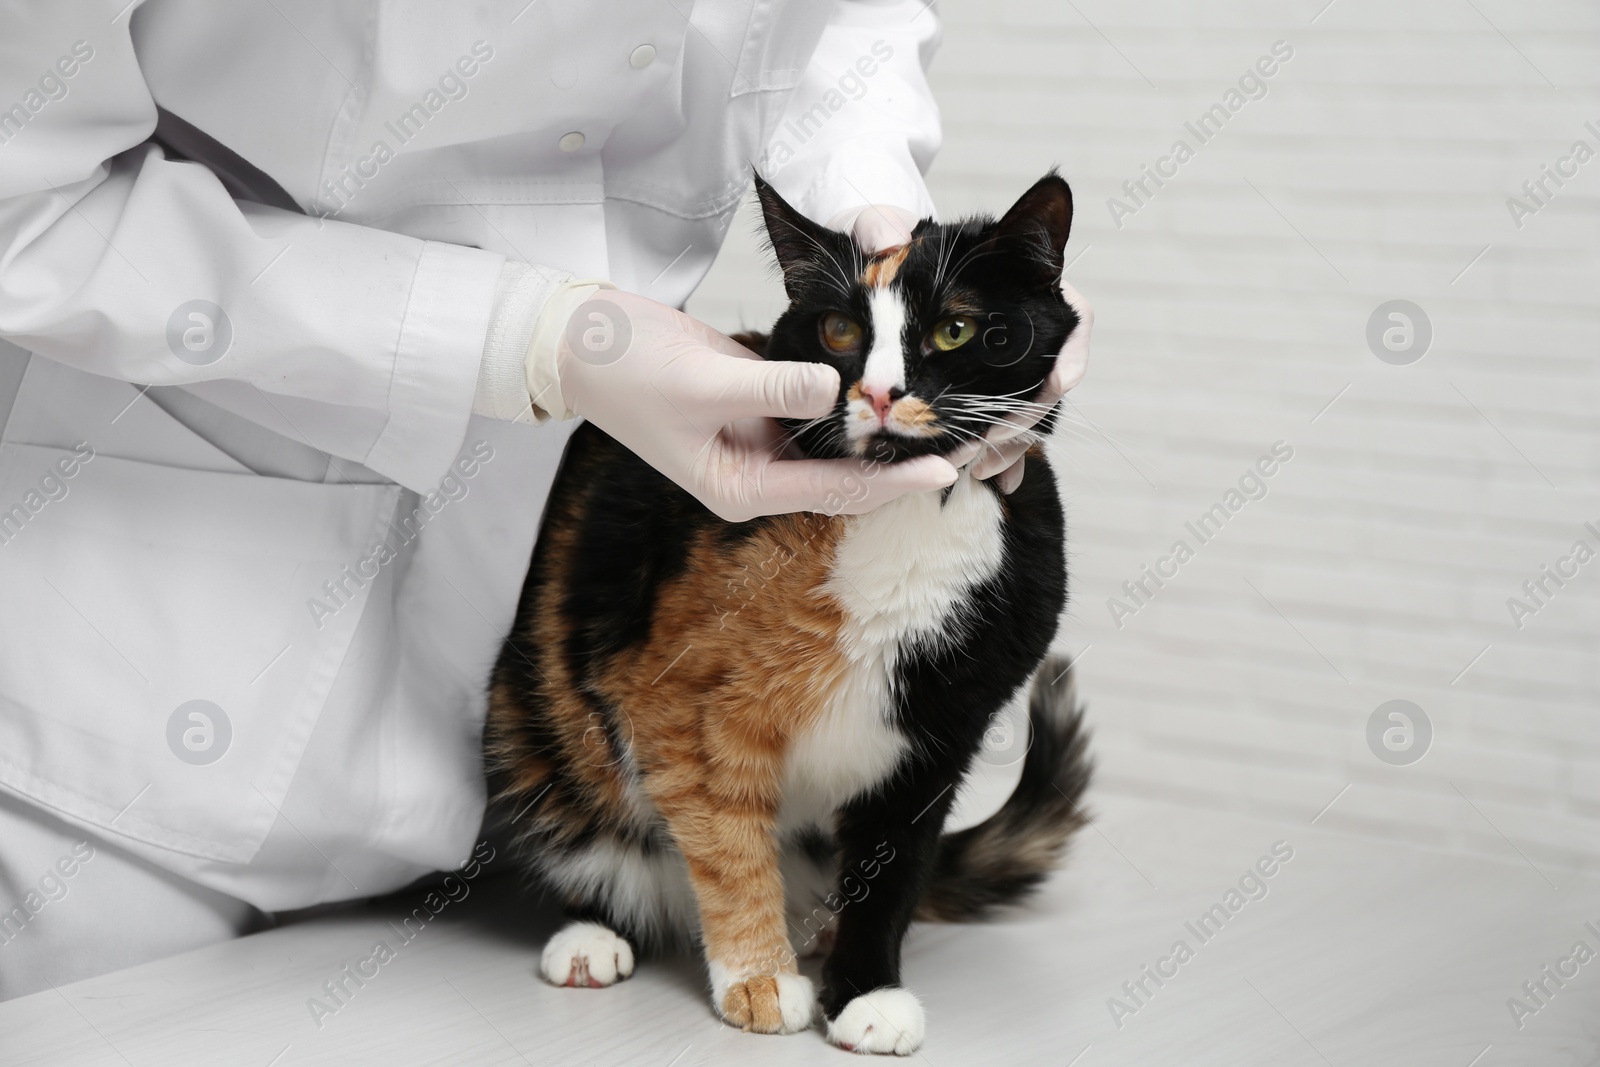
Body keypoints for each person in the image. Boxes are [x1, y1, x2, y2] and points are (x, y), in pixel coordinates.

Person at [0, 0, 1090, 1000]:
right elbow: (22, 197)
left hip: (532, 750)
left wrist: (885, 221)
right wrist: (523, 338)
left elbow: (834, 23)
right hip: (142, 713)